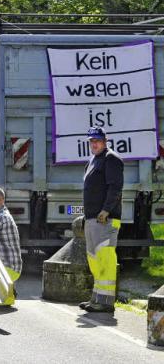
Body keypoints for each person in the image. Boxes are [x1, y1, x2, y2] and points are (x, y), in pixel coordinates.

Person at [80, 126, 123, 314]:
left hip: (105, 219)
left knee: (104, 259)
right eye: (91, 141)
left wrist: (106, 210)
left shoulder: (111, 159)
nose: (94, 143)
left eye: (97, 140)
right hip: (93, 218)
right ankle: (97, 298)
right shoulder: (94, 160)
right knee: (95, 260)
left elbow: (115, 187)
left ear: (105, 141)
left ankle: (105, 302)